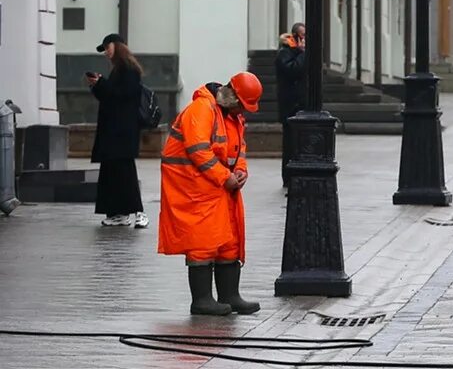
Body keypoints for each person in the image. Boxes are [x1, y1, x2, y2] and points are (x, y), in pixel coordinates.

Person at [160, 71, 263, 317]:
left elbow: (239, 151)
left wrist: (240, 171)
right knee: (203, 243)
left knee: (229, 241)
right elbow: (198, 150)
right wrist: (224, 176)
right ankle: (202, 301)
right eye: (242, 106)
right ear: (232, 97)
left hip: (216, 187)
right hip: (194, 188)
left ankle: (230, 296)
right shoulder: (201, 109)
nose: (243, 112)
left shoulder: (230, 116)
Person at [86, 34, 146, 228]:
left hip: (122, 133)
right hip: (114, 133)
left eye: (107, 47)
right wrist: (97, 86)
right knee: (112, 173)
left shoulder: (129, 70)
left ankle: (139, 213)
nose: (106, 52)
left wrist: (103, 84)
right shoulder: (119, 71)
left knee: (124, 172)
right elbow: (110, 97)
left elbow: (123, 96)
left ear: (117, 46)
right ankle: (117, 213)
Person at [274, 22, 305, 189]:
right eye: (302, 36)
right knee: (290, 144)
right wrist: (302, 53)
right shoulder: (285, 53)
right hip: (290, 106)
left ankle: (299, 175)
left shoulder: (301, 53)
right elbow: (293, 70)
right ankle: (289, 177)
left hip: (301, 105)